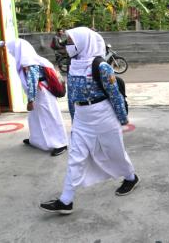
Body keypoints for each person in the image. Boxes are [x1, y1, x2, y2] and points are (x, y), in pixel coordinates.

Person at [39, 27, 139, 215]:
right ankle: (66, 200)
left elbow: (114, 93)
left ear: (82, 42)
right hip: (82, 118)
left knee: (114, 151)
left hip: (103, 115)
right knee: (75, 157)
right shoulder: (73, 63)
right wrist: (74, 117)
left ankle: (131, 177)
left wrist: (122, 117)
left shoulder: (101, 66)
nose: (67, 45)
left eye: (70, 42)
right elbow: (71, 95)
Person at [6, 39, 67, 156]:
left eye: (12, 50)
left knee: (50, 117)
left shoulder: (30, 62)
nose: (11, 52)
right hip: (40, 93)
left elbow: (32, 82)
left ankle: (60, 143)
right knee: (35, 118)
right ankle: (37, 140)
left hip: (42, 93)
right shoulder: (30, 60)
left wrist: (30, 100)